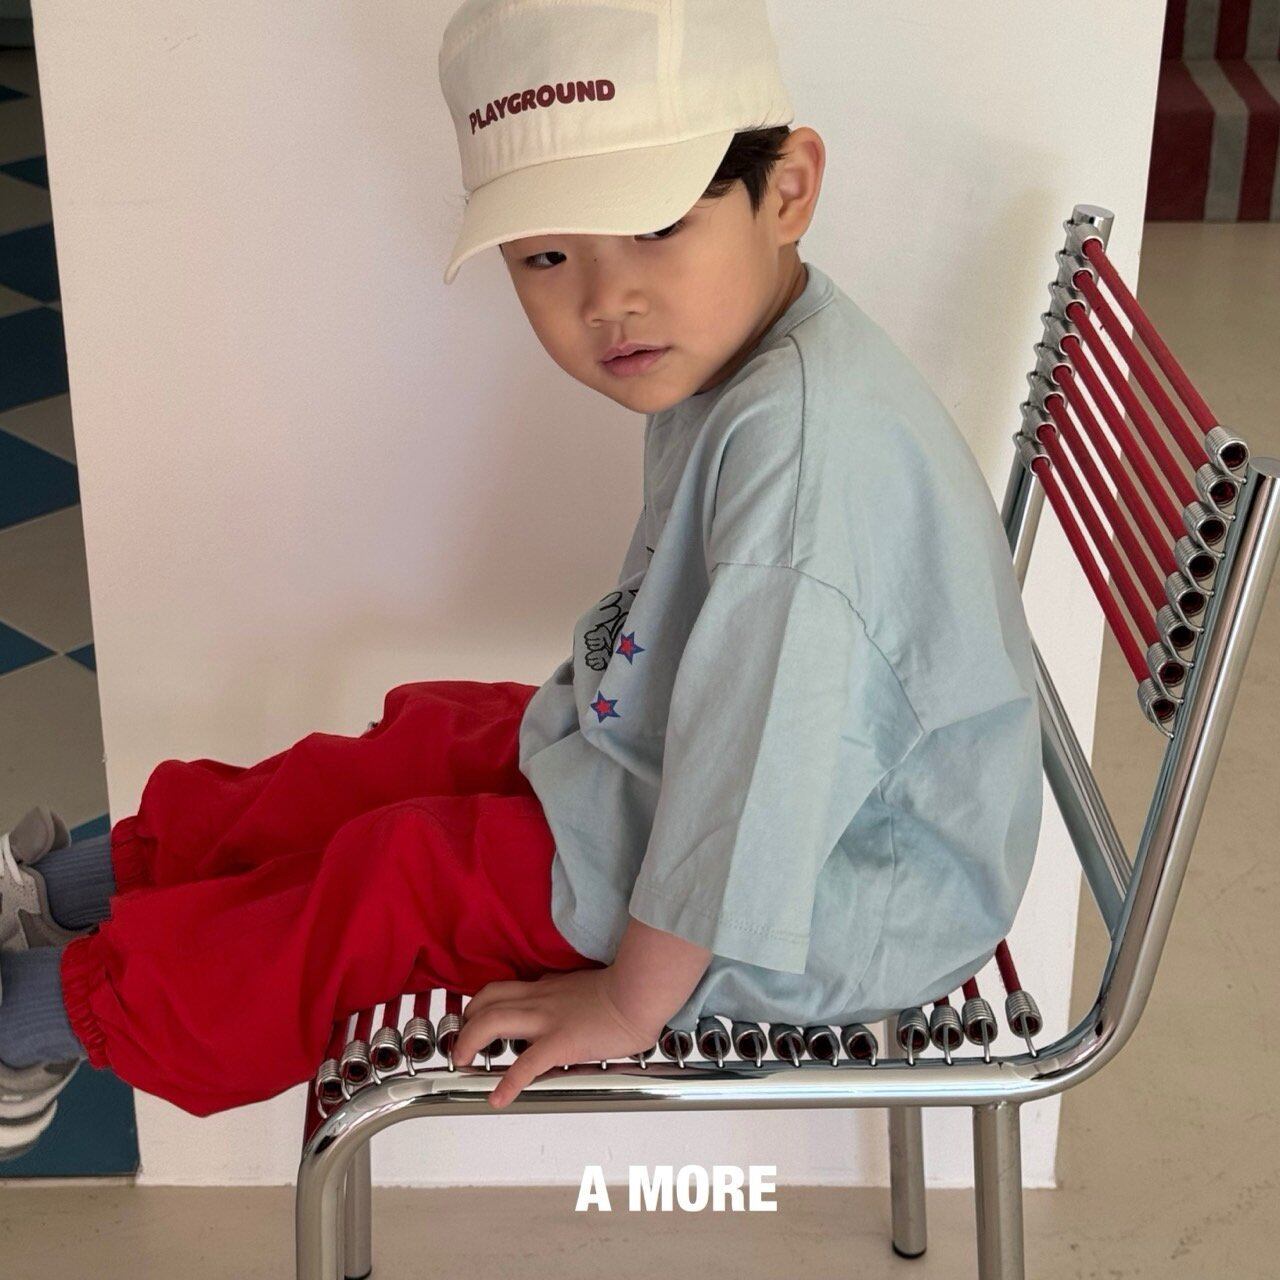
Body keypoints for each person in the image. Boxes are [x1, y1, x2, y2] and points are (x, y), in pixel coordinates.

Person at [0, 0, 1043, 1154]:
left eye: (653, 223)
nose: (604, 298)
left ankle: (32, 1021)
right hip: (718, 777)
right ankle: (62, 890)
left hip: (837, 890)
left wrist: (628, 1003)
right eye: (546, 254)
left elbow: (752, 796)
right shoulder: (738, 352)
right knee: (423, 742)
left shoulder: (804, 470)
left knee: (403, 877)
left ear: (786, 188)